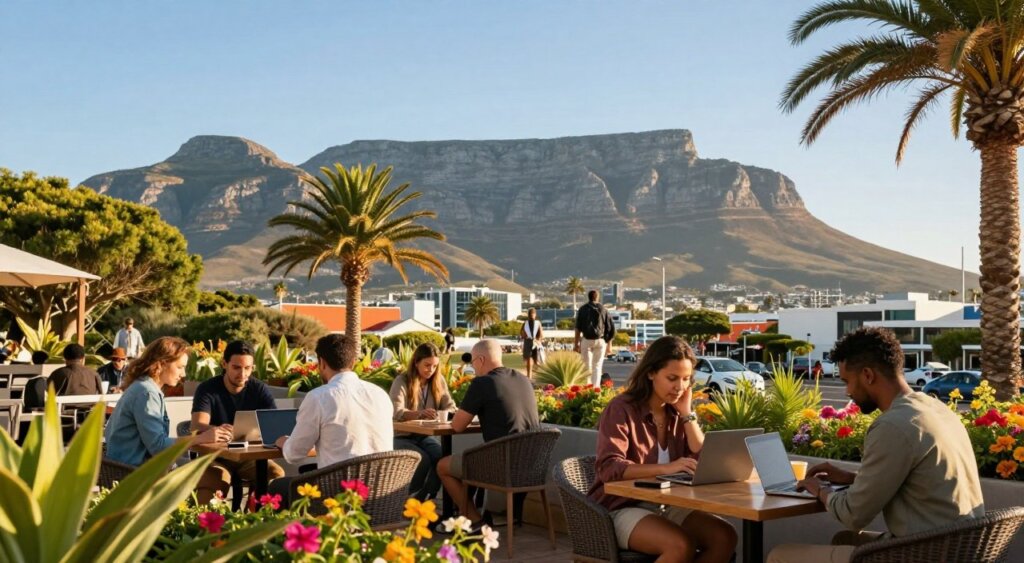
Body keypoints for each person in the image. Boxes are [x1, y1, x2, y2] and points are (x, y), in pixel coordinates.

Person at [767, 327, 985, 563]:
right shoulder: (933, 408)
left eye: (847, 381)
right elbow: (916, 476)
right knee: (845, 539)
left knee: (780, 556)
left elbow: (853, 514)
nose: (847, 391)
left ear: (868, 375)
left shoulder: (893, 425)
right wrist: (852, 477)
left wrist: (819, 488)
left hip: (925, 553)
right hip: (961, 547)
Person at [588, 335, 737, 563]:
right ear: (651, 373)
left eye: (686, 379)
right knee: (680, 545)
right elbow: (609, 468)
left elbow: (701, 457)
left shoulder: (677, 413)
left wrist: (688, 414)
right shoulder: (621, 409)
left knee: (724, 537)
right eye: (672, 378)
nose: (680, 387)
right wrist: (668, 468)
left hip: (666, 504)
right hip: (620, 506)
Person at [104, 337, 233, 500]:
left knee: (209, 471)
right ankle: (196, 522)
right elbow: (158, 446)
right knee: (218, 475)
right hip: (137, 474)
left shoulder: (141, 387)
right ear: (161, 363)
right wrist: (200, 438)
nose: (183, 374)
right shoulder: (147, 393)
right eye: (180, 367)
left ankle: (187, 518)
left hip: (125, 469)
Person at [270, 334, 394, 495]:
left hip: (339, 493)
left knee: (276, 487)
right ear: (353, 362)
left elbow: (294, 454)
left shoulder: (319, 397)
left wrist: (284, 442)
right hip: (383, 491)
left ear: (321, 363)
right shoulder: (380, 394)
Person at [437, 339, 540, 528]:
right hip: (533, 465)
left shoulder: (483, 383)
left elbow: (458, 426)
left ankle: (475, 521)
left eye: (473, 362)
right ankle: (465, 516)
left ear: (481, 360)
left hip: (502, 466)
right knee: (472, 459)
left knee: (443, 466)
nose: (473, 367)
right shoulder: (523, 379)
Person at [190, 340, 285, 496]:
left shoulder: (259, 388)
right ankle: (205, 520)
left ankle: (254, 516)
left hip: (249, 458)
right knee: (217, 479)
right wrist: (218, 431)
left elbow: (272, 423)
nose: (242, 374)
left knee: (275, 475)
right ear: (224, 364)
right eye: (236, 367)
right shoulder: (207, 388)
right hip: (216, 457)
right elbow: (197, 425)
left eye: (247, 368)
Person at [390, 343, 456, 500]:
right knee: (422, 459)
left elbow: (451, 407)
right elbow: (396, 411)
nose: (430, 370)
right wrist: (419, 414)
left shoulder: (438, 381)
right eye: (427, 365)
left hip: (424, 436)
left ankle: (425, 496)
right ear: (416, 362)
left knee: (442, 457)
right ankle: (406, 497)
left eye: (434, 366)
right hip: (400, 436)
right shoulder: (402, 381)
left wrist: (445, 413)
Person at [575, 290, 616, 386]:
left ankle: (587, 388)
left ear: (588, 297)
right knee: (597, 366)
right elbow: (610, 328)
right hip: (600, 340)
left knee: (586, 366)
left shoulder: (582, 309)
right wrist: (609, 345)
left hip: (586, 340)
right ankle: (596, 389)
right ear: (597, 297)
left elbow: (578, 328)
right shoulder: (604, 309)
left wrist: (576, 344)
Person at [520, 308, 544, 379]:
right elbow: (541, 334)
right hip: (534, 342)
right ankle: (535, 375)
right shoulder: (537, 323)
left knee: (531, 360)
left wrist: (527, 337)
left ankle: (530, 376)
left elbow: (522, 334)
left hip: (530, 342)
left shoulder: (526, 323)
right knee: (535, 361)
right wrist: (538, 340)